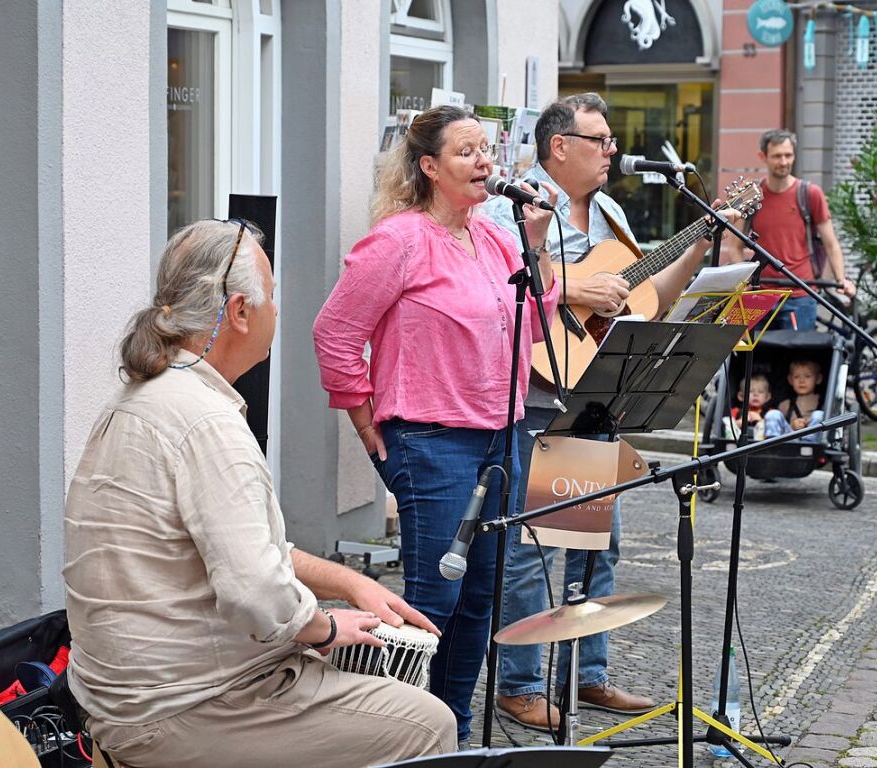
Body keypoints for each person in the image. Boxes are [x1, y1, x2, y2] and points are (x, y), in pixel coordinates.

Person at [63, 219, 457, 768]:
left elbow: (245, 549)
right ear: (241, 312)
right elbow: (254, 591)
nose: (278, 311)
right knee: (428, 724)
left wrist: (350, 582)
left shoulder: (139, 397)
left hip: (125, 696)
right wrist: (323, 630)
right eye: (271, 296)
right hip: (183, 708)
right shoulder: (206, 422)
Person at [482, 92, 738, 729]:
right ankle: (517, 684)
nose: (613, 152)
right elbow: (489, 281)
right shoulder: (507, 203)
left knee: (596, 544)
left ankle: (585, 675)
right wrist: (572, 285)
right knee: (531, 548)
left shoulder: (612, 213)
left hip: (595, 396)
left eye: (613, 142)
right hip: (534, 395)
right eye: (601, 141)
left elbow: (647, 297)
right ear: (559, 147)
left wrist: (699, 249)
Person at [313, 105, 560, 747]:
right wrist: (366, 420)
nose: (486, 163)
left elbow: (531, 332)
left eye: (487, 150)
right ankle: (406, 736)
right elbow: (336, 333)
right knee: (433, 599)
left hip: (502, 437)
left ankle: (455, 730)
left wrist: (535, 248)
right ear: (429, 167)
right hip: (430, 441)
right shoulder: (398, 239)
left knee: (481, 595)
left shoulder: (499, 238)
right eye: (468, 152)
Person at [724, 129, 856, 331]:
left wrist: (841, 280)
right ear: (763, 157)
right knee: (753, 360)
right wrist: (746, 281)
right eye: (777, 156)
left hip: (800, 294)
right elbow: (734, 246)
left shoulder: (810, 194)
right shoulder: (752, 196)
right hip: (761, 294)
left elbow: (831, 243)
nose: (784, 162)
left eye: (788, 155)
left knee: (801, 361)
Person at [764, 359, 824, 441]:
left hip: (813, 440)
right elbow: (780, 424)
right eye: (796, 377)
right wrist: (792, 425)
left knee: (819, 415)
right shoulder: (785, 404)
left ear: (818, 379)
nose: (802, 381)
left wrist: (808, 422)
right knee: (773, 414)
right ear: (790, 380)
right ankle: (771, 443)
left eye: (807, 376)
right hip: (790, 437)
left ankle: (809, 444)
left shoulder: (823, 401)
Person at [727, 373, 773, 440]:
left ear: (767, 397)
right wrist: (738, 423)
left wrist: (760, 421)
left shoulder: (770, 413)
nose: (755, 394)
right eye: (751, 391)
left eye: (760, 392)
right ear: (741, 396)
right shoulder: (736, 411)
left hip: (763, 444)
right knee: (727, 420)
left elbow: (773, 429)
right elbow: (726, 426)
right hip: (738, 442)